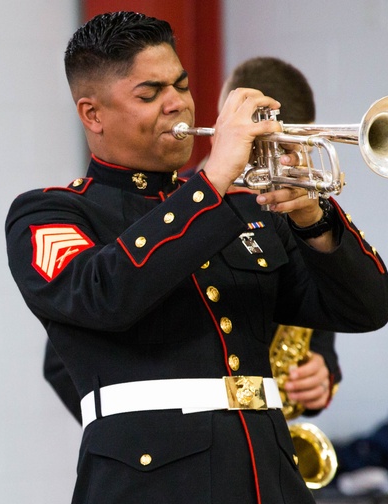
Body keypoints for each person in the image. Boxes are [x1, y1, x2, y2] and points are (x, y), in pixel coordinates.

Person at [5, 11, 388, 504]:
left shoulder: (241, 210)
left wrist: (313, 215)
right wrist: (213, 181)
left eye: (181, 84)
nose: (178, 103)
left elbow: (361, 305)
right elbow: (105, 293)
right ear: (92, 113)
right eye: (150, 93)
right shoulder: (52, 212)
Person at [43, 55, 340, 423]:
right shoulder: (160, 210)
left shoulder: (283, 207)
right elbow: (65, 357)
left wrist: (323, 371)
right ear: (226, 116)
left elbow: (322, 309)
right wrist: (134, 432)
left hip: (264, 447)